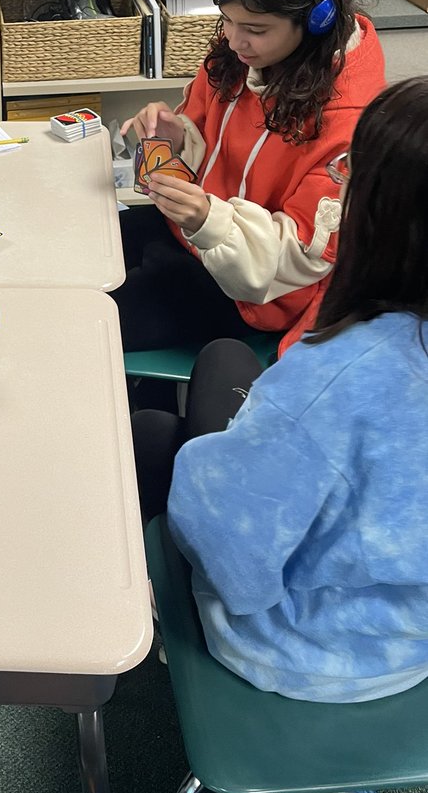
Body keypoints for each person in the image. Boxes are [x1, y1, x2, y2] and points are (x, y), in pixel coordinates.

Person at [167, 77, 428, 702]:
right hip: (409, 634)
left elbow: (232, 553)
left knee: (158, 438)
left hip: (307, 648)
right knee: (229, 361)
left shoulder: (338, 374)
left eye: (348, 173)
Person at [114, 0, 386, 365]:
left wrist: (208, 221)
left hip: (248, 292)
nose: (235, 40)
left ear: (318, 20)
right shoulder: (249, 49)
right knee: (76, 256)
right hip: (187, 237)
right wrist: (176, 136)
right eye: (228, 21)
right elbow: (210, 131)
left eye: (254, 29)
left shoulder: (351, 122)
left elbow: (299, 257)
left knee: (88, 318)